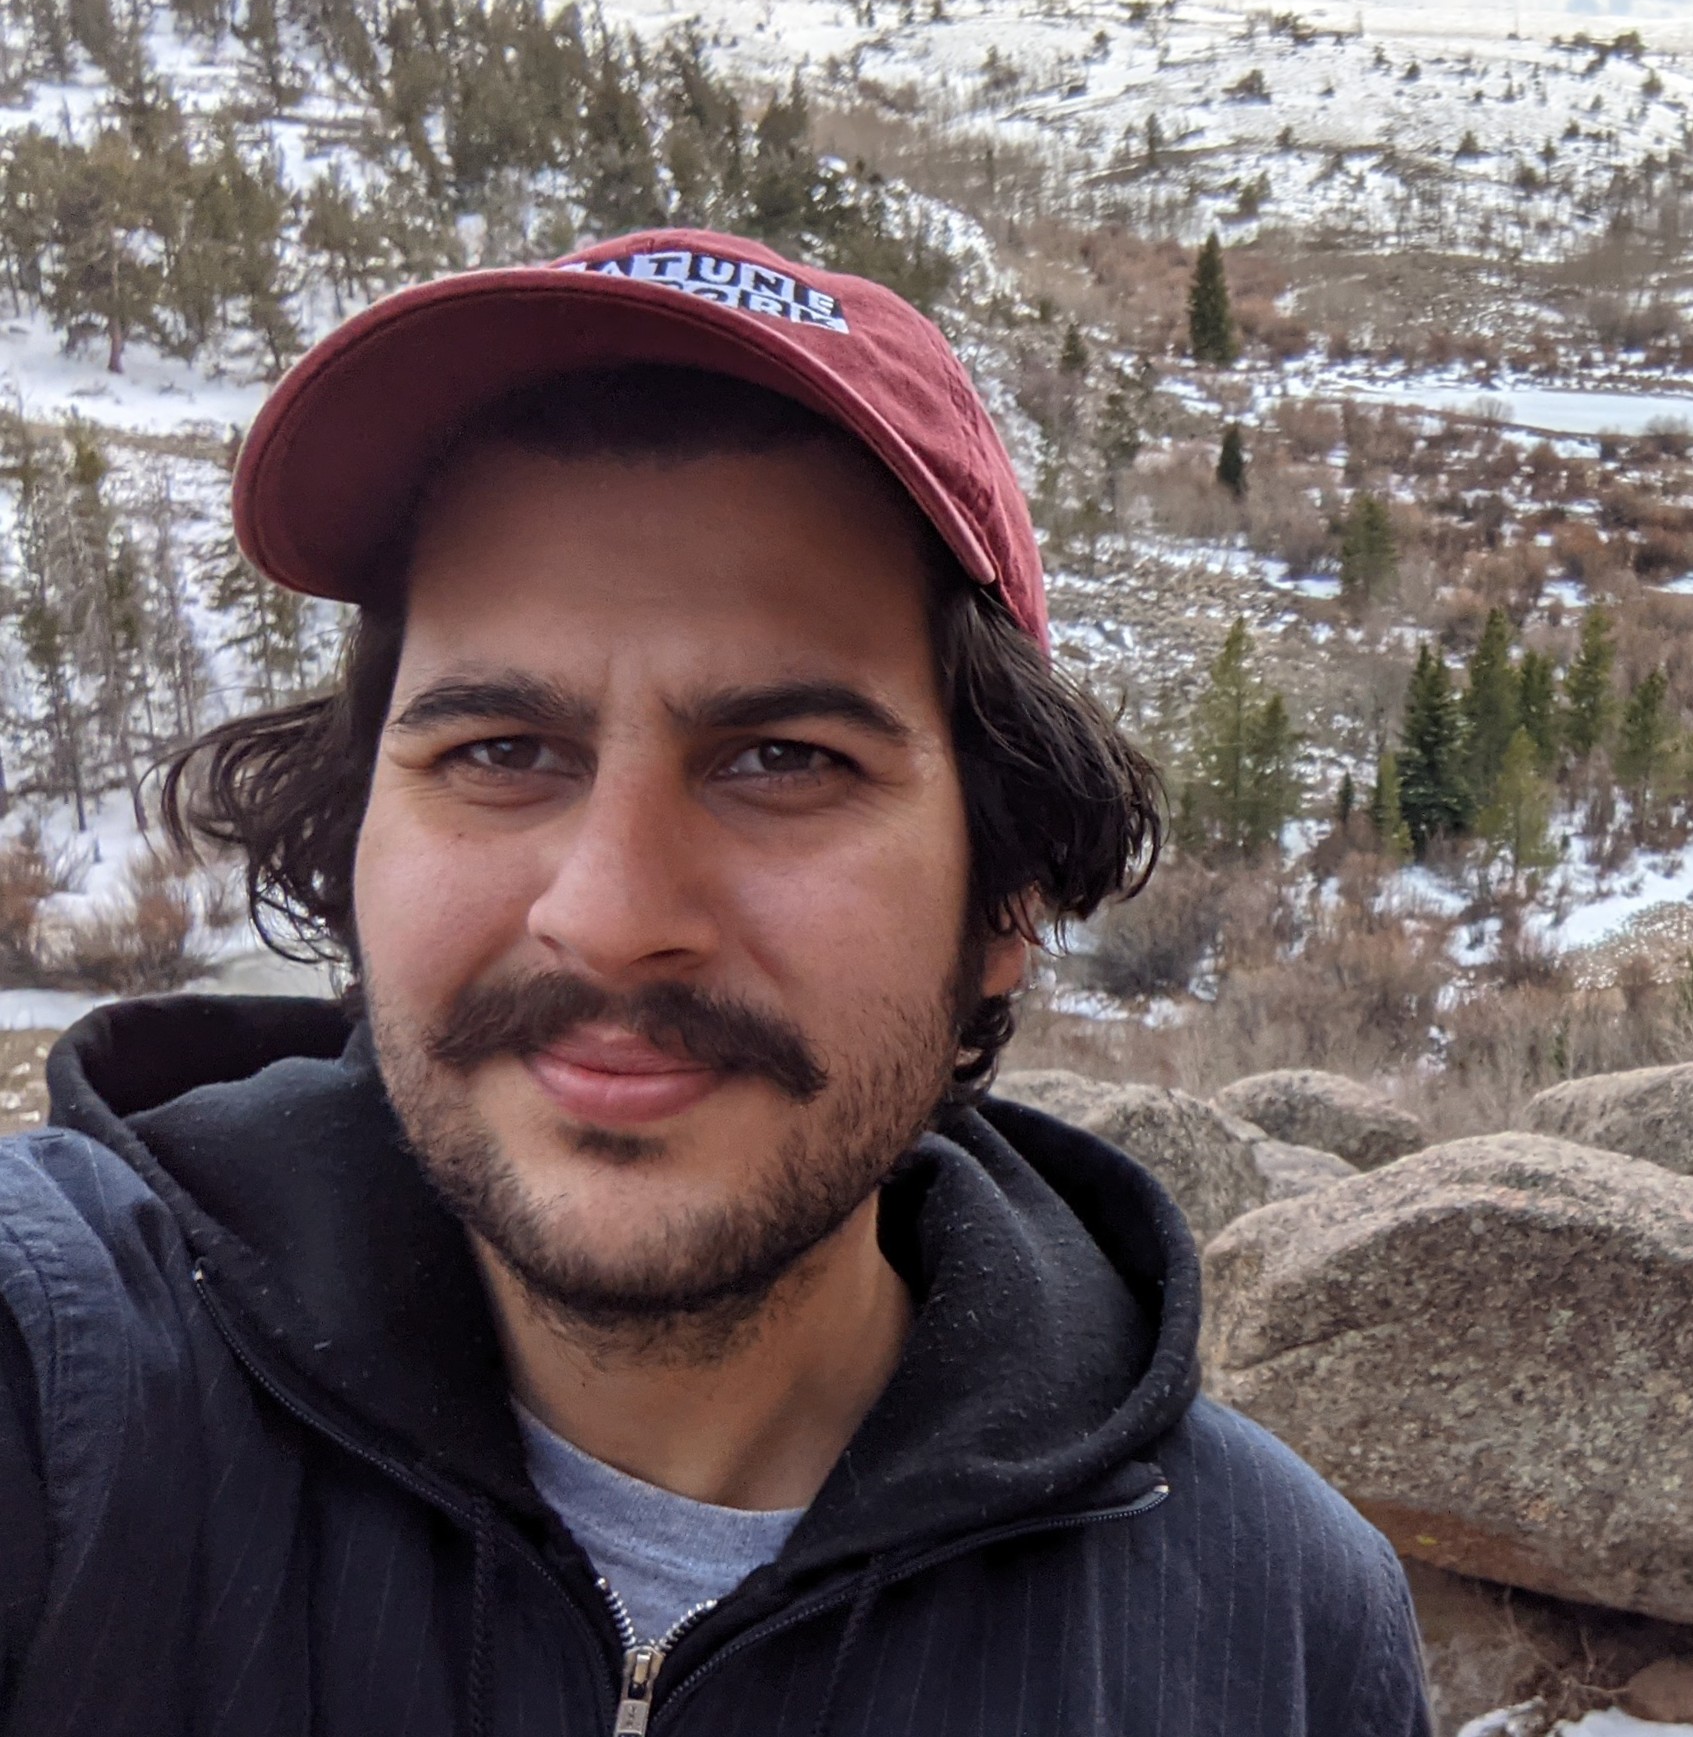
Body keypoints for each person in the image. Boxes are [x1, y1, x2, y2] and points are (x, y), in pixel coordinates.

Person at [0, 227, 1430, 1736]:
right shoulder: (64, 1388)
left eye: (781, 760)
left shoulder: (1272, 1630)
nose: (610, 919)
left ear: (1005, 891)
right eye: (499, 752)